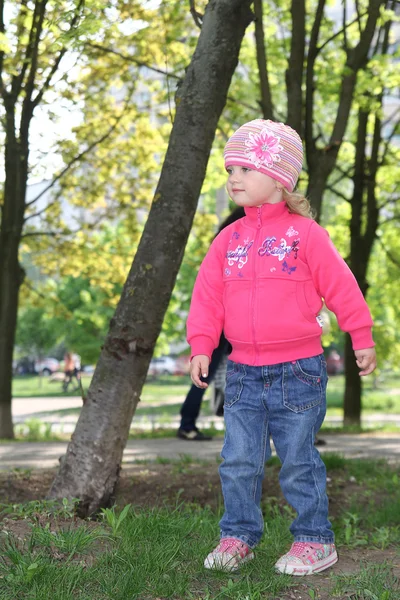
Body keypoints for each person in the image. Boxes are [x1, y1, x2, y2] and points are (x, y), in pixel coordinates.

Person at [186, 119, 376, 576]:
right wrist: (201, 345)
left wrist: (361, 335)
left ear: (279, 178)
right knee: (238, 461)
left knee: (297, 462)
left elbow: (342, 288)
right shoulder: (227, 241)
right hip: (244, 373)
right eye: (230, 168)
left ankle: (314, 540)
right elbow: (207, 297)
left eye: (246, 168)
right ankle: (238, 535)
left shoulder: (305, 235)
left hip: (299, 371)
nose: (234, 178)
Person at [177, 208, 245, 441]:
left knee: (212, 373)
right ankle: (187, 423)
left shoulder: (224, 241)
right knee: (211, 373)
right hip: (229, 321)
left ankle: (188, 422)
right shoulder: (238, 244)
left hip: (224, 319)